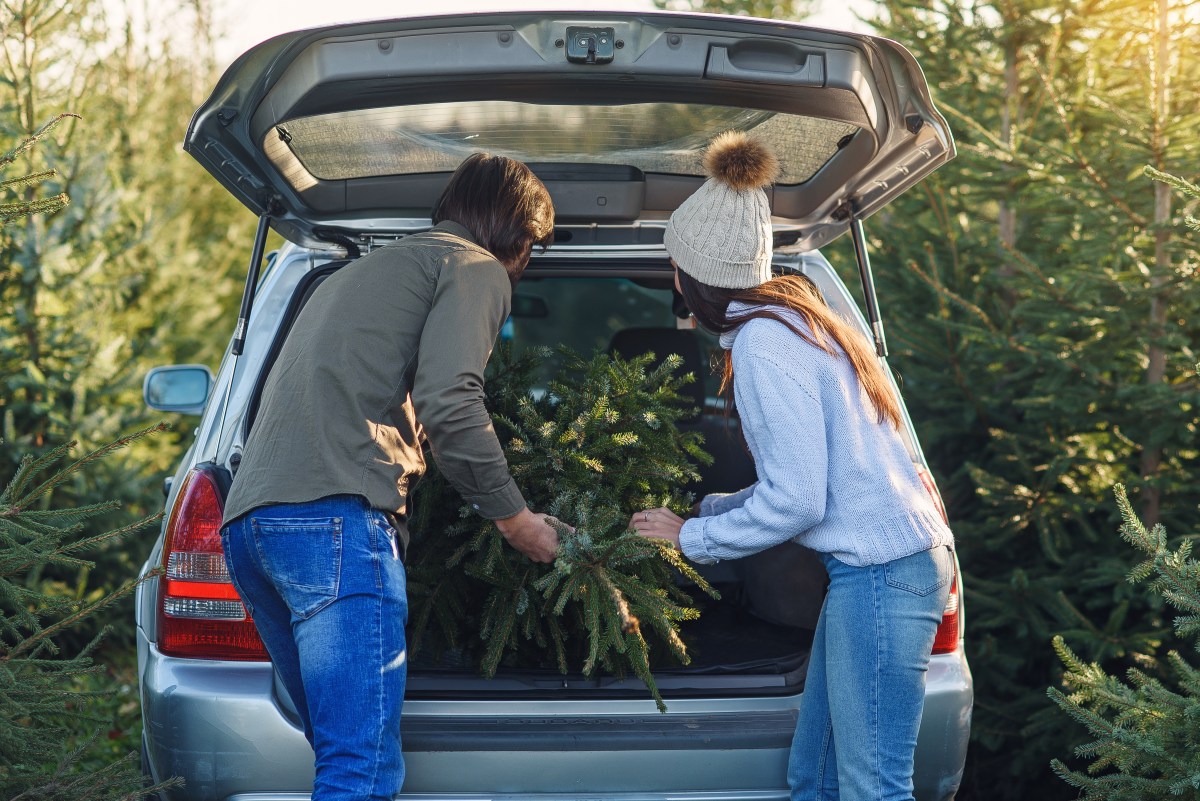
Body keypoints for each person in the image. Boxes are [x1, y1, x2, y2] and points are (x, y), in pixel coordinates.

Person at [219, 153, 562, 801]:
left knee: (342, 754)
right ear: (514, 237)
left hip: (250, 525)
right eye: (530, 253)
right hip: (334, 525)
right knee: (360, 770)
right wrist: (515, 519)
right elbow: (453, 398)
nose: (523, 267)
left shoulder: (348, 275)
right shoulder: (473, 266)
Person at [630, 131, 955, 801]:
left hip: (884, 577)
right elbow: (810, 477)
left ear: (695, 276)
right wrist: (709, 509)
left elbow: (799, 500)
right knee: (816, 777)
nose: (671, 278)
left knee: (872, 787)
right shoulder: (797, 321)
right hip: (876, 573)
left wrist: (689, 538)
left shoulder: (760, 344)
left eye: (673, 264)